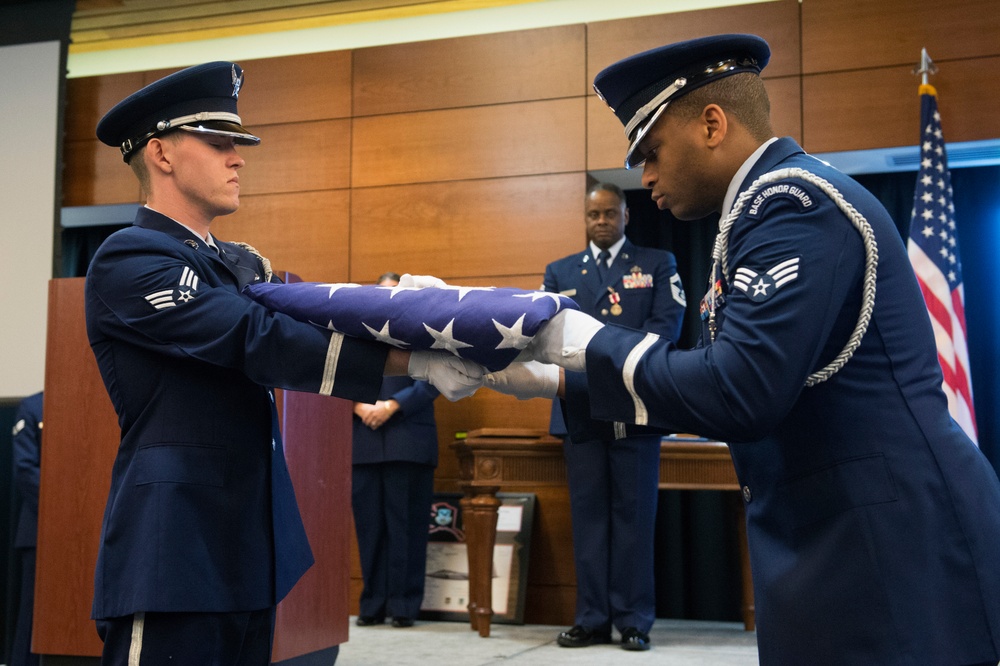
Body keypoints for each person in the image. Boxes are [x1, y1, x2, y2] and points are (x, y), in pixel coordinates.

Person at [487, 34, 1000, 665]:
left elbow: (740, 390)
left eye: (651, 151)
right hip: (840, 532)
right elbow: (709, 380)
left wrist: (578, 343)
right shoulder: (760, 212)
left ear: (711, 123)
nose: (644, 178)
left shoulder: (793, 204)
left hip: (891, 547)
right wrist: (563, 383)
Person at [85, 61, 481, 664]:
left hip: (251, 540)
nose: (238, 158)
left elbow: (314, 312)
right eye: (219, 144)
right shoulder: (130, 256)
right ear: (161, 155)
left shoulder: (239, 262)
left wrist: (413, 311)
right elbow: (256, 336)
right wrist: (417, 360)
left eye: (238, 145)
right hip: (175, 545)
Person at [542, 184, 685, 651]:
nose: (601, 220)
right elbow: (545, 339)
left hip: (637, 406)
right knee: (588, 519)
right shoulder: (559, 272)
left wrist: (609, 367)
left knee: (635, 518)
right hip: (580, 408)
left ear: (626, 215)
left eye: (609, 213)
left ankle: (634, 620)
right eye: (592, 214)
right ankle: (592, 618)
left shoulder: (658, 263)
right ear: (584, 218)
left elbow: (666, 328)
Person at [352, 271, 441, 629]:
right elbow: (334, 374)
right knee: (369, 529)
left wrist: (391, 406)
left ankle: (404, 607)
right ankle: (372, 604)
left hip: (409, 440)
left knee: (407, 528)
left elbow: (438, 380)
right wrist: (359, 406)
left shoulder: (426, 333)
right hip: (364, 443)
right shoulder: (355, 332)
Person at [10, 391, 43, 666]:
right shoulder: (33, 407)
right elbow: (24, 469)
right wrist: (61, 507)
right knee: (32, 614)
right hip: (38, 531)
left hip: (84, 535)